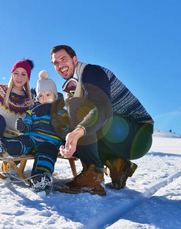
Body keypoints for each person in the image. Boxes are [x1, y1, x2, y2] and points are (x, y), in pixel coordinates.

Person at [50, 45, 154, 196]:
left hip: (138, 134)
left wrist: (79, 131)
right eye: (55, 63)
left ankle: (93, 177)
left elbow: (103, 108)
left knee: (77, 109)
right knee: (69, 136)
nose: (60, 65)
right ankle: (117, 163)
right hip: (121, 137)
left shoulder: (92, 73)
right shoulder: (75, 85)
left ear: (74, 59)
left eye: (63, 59)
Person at [0, 70, 64, 192]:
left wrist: (64, 134)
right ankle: (3, 146)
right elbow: (28, 122)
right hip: (33, 137)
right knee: (22, 142)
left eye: (48, 95)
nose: (44, 98)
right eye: (41, 96)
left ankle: (40, 177)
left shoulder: (61, 112)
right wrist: (23, 126)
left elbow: (67, 128)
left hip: (51, 142)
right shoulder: (34, 110)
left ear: (55, 96)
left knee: (46, 155)